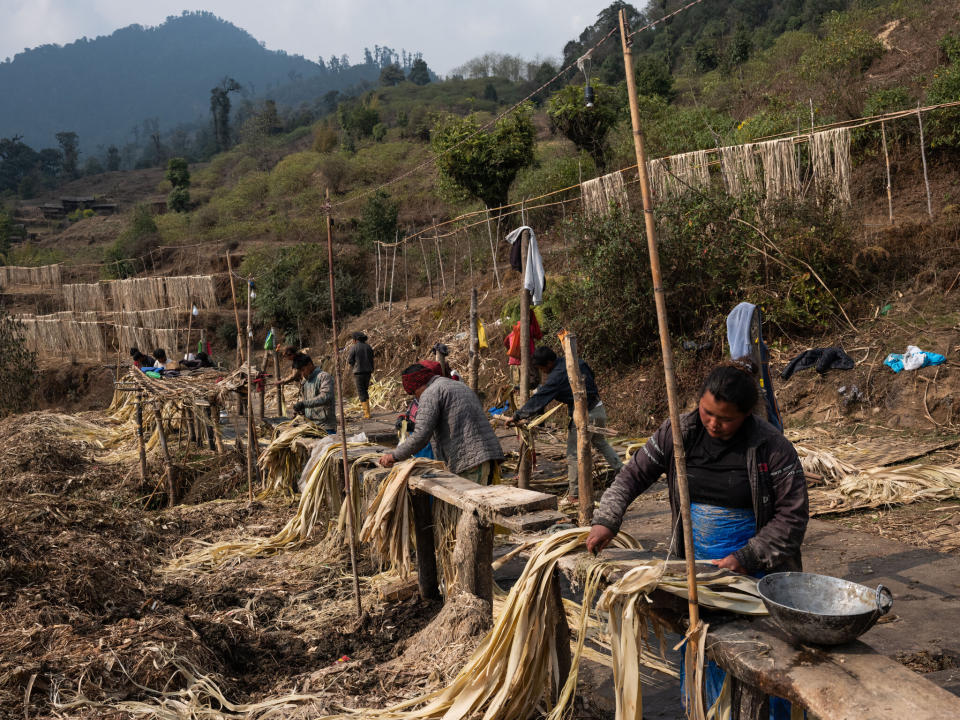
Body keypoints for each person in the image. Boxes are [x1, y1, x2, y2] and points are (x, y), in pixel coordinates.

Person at [586, 362, 808, 720]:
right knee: (701, 650)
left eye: (725, 418)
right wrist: (607, 520)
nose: (713, 424)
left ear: (746, 415)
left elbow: (792, 518)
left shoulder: (771, 448)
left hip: (753, 579)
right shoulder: (679, 431)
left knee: (762, 657)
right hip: (695, 572)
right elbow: (632, 476)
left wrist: (746, 556)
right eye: (707, 412)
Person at [512, 346, 623, 501]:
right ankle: (623, 472)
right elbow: (592, 375)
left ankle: (575, 494)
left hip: (586, 415)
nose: (543, 371)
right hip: (598, 408)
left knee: (572, 454)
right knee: (600, 442)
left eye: (543, 367)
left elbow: (542, 397)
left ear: (550, 362)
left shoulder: (557, 375)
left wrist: (518, 415)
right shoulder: (575, 362)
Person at [379, 362, 504, 485]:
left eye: (413, 393)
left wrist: (394, 456)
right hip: (486, 455)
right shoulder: (457, 385)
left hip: (469, 460)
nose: (416, 398)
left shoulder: (430, 393)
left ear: (418, 385)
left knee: (466, 502)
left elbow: (421, 435)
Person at [291, 353, 336, 434]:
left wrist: (304, 404)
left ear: (309, 365)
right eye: (300, 371)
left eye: (303, 370)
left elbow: (325, 396)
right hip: (310, 425)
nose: (302, 374)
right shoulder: (305, 381)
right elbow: (307, 401)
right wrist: (302, 410)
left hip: (325, 426)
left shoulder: (324, 377)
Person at [347, 331, 375, 419]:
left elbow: (350, 360)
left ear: (355, 340)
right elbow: (372, 359)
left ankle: (367, 414)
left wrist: (353, 366)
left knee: (361, 392)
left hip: (358, 373)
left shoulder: (354, 347)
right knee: (365, 390)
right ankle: (368, 412)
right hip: (368, 372)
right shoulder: (368, 347)